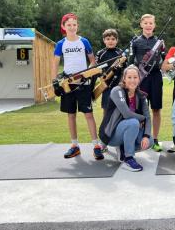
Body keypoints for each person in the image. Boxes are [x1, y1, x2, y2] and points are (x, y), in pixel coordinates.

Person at [51, 13, 104, 160]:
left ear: (77, 26)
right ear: (64, 27)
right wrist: (55, 81)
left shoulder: (84, 42)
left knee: (88, 114)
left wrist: (88, 74)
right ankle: (74, 146)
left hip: (83, 84)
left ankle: (96, 146)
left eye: (74, 24)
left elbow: (92, 61)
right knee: (71, 115)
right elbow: (55, 63)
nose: (72, 27)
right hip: (68, 85)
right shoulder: (61, 44)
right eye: (69, 25)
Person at [99, 65, 154, 171]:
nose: (132, 80)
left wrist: (146, 136)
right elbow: (127, 114)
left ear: (139, 79)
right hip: (112, 135)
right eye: (129, 77)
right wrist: (142, 118)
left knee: (150, 141)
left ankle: (123, 148)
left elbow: (148, 117)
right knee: (133, 122)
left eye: (135, 77)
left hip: (128, 130)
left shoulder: (141, 96)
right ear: (124, 79)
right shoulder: (117, 90)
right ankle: (128, 158)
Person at [129, 14, 164, 152]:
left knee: (156, 109)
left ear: (154, 25)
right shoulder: (135, 41)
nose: (149, 25)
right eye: (146, 23)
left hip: (155, 77)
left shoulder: (160, 41)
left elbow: (163, 60)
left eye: (151, 23)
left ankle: (154, 140)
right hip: (140, 79)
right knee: (139, 110)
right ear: (141, 24)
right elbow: (130, 62)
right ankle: (139, 139)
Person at [95, 29, 123, 115]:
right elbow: (96, 68)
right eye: (108, 39)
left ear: (116, 40)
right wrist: (101, 75)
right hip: (106, 85)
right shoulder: (100, 53)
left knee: (119, 108)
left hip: (119, 85)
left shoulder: (120, 53)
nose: (110, 41)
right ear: (104, 40)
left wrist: (122, 81)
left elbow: (125, 69)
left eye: (113, 39)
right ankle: (105, 127)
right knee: (106, 108)